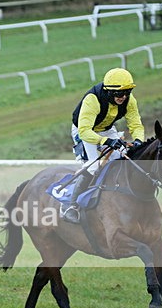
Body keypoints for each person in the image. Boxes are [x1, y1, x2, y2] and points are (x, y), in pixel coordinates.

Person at [61, 67, 145, 223]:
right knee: (93, 167)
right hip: (84, 130)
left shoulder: (129, 100)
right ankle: (71, 206)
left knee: (121, 161)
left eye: (127, 92)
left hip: (107, 129)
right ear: (109, 92)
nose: (123, 97)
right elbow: (85, 131)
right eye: (119, 93)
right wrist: (106, 141)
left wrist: (139, 140)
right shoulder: (93, 99)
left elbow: (136, 124)